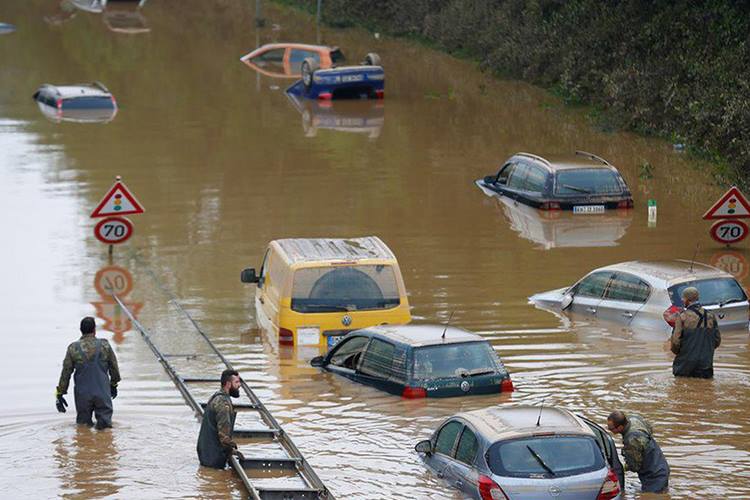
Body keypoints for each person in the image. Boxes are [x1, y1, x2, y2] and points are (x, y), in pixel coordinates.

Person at [56, 316, 120, 429]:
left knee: (83, 428)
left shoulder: (73, 348)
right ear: (94, 330)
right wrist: (113, 385)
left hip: (82, 395)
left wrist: (60, 393)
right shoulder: (105, 345)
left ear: (81, 330)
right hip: (102, 394)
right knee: (105, 429)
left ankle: (84, 444)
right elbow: (114, 368)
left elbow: (66, 373)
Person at [607, 411, 669, 493]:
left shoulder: (631, 440)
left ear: (620, 427)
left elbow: (634, 466)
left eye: (611, 428)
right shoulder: (634, 418)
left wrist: (622, 468)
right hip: (661, 464)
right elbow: (650, 429)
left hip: (653, 476)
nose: (609, 430)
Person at [197, 369, 244, 468]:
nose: (239, 385)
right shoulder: (223, 404)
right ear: (228, 384)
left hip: (206, 453)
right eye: (236, 382)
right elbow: (224, 435)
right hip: (213, 457)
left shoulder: (216, 396)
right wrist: (232, 449)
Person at [670, 286, 721, 378]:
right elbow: (717, 341)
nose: (682, 300)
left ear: (686, 300)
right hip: (706, 367)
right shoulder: (710, 316)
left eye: (683, 298)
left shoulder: (682, 317)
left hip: (684, 367)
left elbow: (675, 343)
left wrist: (683, 352)